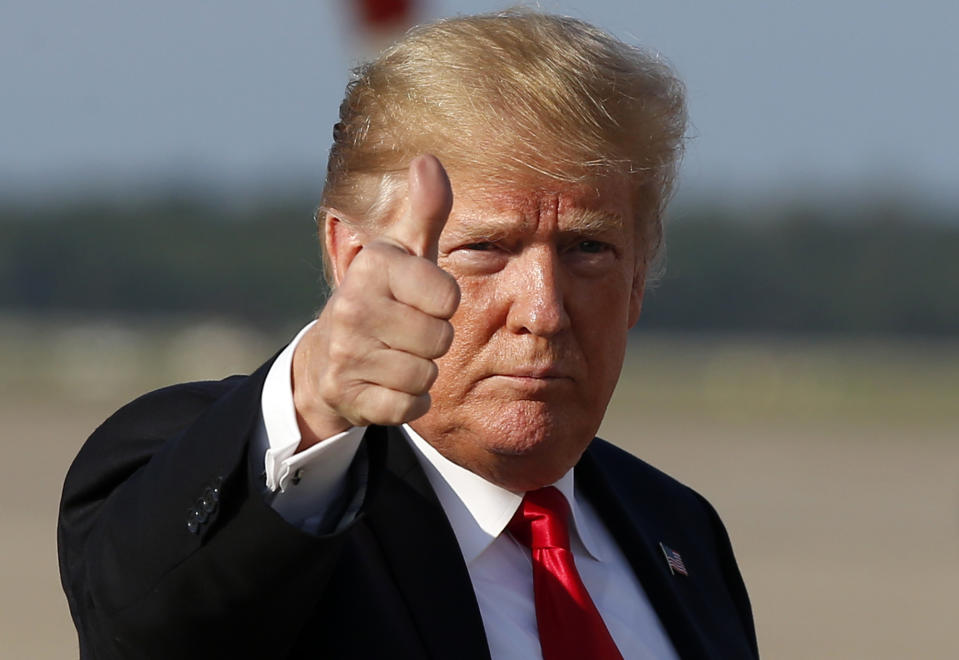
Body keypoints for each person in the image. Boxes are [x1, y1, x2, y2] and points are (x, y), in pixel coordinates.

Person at [58, 10, 758, 659]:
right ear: (353, 260)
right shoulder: (251, 486)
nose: (542, 311)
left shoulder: (678, 530)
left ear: (638, 278)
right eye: (485, 247)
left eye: (588, 249)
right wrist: (312, 403)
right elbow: (147, 626)